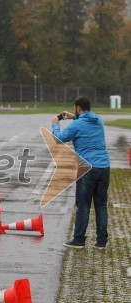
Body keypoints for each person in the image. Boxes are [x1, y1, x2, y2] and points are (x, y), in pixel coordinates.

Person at [52, 96, 110, 249]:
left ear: (78, 107)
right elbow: (84, 121)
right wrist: (73, 117)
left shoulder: (77, 125)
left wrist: (55, 124)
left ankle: (79, 240)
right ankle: (101, 242)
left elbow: (58, 138)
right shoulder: (98, 121)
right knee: (101, 206)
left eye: (74, 109)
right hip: (104, 167)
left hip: (87, 169)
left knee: (83, 205)